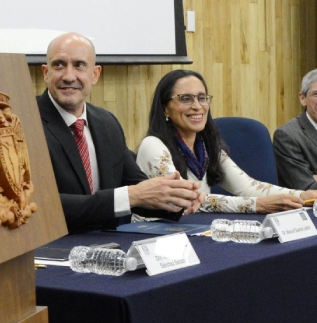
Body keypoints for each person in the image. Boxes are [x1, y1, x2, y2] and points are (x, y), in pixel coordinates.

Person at [38, 32, 203, 233]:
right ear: (46, 73)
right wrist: (130, 196)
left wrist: (175, 198)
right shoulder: (24, 123)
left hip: (111, 250)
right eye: (59, 65)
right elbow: (40, 204)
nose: (69, 76)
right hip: (53, 249)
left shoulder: (107, 123)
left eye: (79, 65)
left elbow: (138, 189)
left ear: (95, 74)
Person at [135, 70, 317, 213]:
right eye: (185, 99)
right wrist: (256, 206)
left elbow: (248, 187)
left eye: (202, 98)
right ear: (165, 109)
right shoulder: (153, 145)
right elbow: (186, 201)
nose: (197, 106)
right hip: (155, 240)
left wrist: (301, 195)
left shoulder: (206, 145)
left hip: (195, 231)